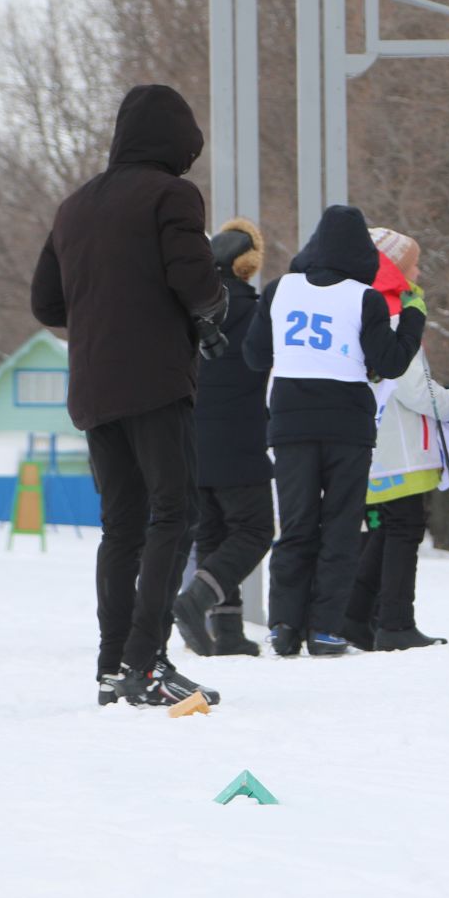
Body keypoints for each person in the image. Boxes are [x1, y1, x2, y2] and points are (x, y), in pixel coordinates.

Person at [28, 83, 227, 707]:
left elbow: (46, 302)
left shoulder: (74, 206)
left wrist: (103, 315)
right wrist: (214, 312)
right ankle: (146, 663)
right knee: (174, 514)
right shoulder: (172, 194)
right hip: (156, 381)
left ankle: (113, 664)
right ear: (175, 142)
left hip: (93, 387)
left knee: (122, 526)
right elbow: (194, 281)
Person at [244, 205, 425, 657]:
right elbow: (390, 363)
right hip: (347, 425)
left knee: (297, 525)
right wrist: (414, 316)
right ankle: (325, 629)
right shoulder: (362, 297)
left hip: (289, 424)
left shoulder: (278, 290)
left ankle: (284, 626)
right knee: (341, 527)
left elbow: (253, 356)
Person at [341, 228, 449, 651]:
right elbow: (416, 388)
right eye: (413, 263)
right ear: (393, 268)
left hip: (370, 446)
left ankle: (356, 617)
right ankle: (396, 622)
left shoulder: (353, 307)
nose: (419, 271)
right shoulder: (395, 314)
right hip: (400, 448)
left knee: (382, 531)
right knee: (404, 528)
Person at [171, 217, 269, 658]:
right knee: (254, 529)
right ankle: (198, 599)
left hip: (190, 436)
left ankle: (227, 631)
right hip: (240, 436)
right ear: (249, 265)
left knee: (211, 531)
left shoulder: (188, 311)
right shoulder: (256, 309)